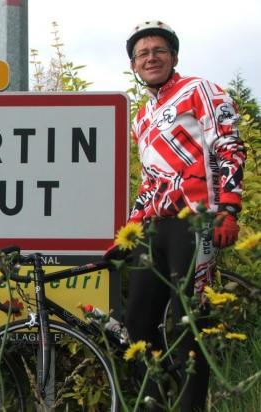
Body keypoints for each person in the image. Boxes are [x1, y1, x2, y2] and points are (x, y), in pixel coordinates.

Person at [104, 21, 246, 411]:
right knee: (137, 325)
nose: (150, 58)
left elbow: (230, 147)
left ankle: (191, 407)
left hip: (197, 220)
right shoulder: (142, 118)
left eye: (159, 51)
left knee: (189, 322)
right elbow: (150, 182)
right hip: (156, 227)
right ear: (134, 65)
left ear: (174, 57)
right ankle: (154, 402)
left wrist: (228, 208)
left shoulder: (200, 90)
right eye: (142, 54)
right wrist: (128, 233)